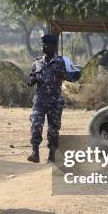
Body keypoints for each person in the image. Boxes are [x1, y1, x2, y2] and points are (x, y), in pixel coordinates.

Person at [26, 34, 71, 164]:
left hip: (55, 102)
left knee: (53, 129)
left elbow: (72, 77)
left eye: (46, 45)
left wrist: (64, 74)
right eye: (42, 44)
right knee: (36, 126)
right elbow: (29, 81)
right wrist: (35, 77)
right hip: (39, 101)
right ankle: (35, 152)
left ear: (53, 46)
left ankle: (51, 155)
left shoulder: (61, 62)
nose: (43, 47)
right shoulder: (37, 62)